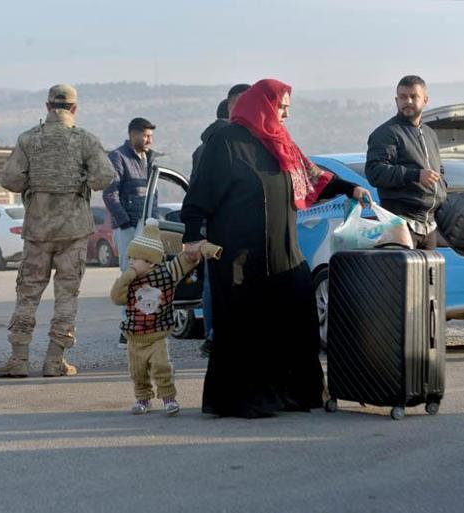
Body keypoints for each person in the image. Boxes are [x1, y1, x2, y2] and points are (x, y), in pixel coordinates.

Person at [180, 79, 372, 418]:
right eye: (281, 106)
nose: (286, 112)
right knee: (247, 330)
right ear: (263, 104)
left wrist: (350, 189)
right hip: (240, 258)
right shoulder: (225, 142)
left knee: (296, 319)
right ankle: (245, 399)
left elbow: (313, 177)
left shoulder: (281, 142)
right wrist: (194, 237)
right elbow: (197, 198)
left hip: (284, 255)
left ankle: (294, 393)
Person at [0, 84, 115, 377]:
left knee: (27, 294)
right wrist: (80, 179)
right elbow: (104, 176)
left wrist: (35, 184)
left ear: (47, 106)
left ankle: (19, 359)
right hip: (73, 231)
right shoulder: (86, 140)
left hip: (37, 229)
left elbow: (10, 180)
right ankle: (54, 360)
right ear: (74, 109)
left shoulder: (28, 140)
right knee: (66, 296)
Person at [110, 218, 222, 415]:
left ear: (151, 262)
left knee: (162, 367)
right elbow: (116, 298)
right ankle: (143, 399)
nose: (132, 263)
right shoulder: (129, 280)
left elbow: (186, 260)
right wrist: (128, 275)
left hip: (157, 335)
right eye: (131, 259)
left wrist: (205, 248)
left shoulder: (166, 273)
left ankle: (169, 398)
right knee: (138, 372)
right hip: (135, 337)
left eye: (136, 259)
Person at [191, 83, 252, 357]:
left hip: (211, 224)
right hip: (228, 224)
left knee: (212, 282)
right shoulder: (229, 143)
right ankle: (218, 335)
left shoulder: (202, 146)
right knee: (231, 281)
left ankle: (212, 333)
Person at [365, 75, 446, 249]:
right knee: (401, 276)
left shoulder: (430, 134)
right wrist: (415, 175)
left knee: (428, 277)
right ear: (396, 100)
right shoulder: (386, 133)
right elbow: (375, 171)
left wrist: (442, 187)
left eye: (413, 96)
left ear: (425, 100)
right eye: (402, 97)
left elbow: (439, 169)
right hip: (401, 224)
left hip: (429, 226)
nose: (407, 101)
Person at [103, 117, 160, 347]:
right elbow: (110, 193)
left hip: (148, 225)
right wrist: (124, 222)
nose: (149, 140)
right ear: (132, 134)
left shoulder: (151, 159)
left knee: (148, 276)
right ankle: (126, 329)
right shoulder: (118, 157)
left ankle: (143, 326)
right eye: (145, 135)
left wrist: (154, 220)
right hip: (129, 226)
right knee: (130, 275)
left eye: (151, 136)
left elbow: (152, 194)